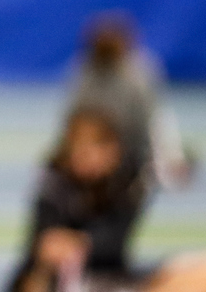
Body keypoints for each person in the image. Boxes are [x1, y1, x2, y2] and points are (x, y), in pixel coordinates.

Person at [4, 104, 206, 292]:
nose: (87, 155)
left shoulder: (130, 184)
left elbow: (115, 241)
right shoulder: (54, 185)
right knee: (39, 282)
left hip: (122, 284)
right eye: (79, 146)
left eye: (97, 146)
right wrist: (54, 252)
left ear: (114, 150)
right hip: (64, 284)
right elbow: (35, 256)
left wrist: (83, 244)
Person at [69, 11, 196, 190]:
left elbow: (155, 121)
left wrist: (170, 156)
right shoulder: (82, 73)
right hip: (97, 146)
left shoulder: (141, 74)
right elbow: (74, 122)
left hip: (134, 149)